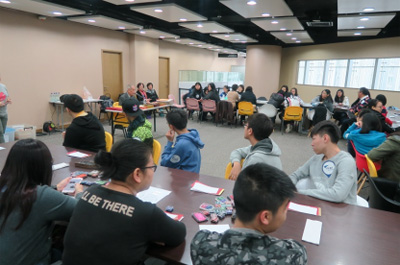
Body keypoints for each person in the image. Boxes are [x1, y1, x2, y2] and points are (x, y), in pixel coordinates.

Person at [62, 139, 186, 265]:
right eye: (152, 167)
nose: (153, 172)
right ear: (137, 173)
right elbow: (179, 233)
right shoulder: (145, 213)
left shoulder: (90, 192)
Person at [191, 163, 307, 265]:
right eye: (285, 207)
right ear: (265, 217)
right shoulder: (293, 255)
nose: (286, 211)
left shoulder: (201, 243)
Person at [0, 139, 83, 265]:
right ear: (42, 167)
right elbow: (82, 210)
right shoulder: (42, 196)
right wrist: (79, 193)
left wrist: (55, 188)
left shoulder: (5, 186)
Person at [289, 121, 357, 204]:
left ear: (325, 138)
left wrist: (301, 193)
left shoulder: (346, 161)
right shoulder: (317, 158)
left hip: (341, 212)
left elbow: (338, 195)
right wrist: (289, 188)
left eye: (314, 139)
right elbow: (296, 175)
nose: (312, 144)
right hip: (319, 206)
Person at [229, 113, 282, 180]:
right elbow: (237, 152)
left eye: (245, 125)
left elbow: (243, 186)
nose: (244, 127)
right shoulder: (265, 147)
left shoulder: (256, 159)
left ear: (250, 131)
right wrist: (236, 164)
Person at [161, 109, 204, 173]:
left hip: (184, 180)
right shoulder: (193, 135)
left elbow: (165, 164)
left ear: (171, 126)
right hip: (192, 176)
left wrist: (169, 142)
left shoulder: (182, 144)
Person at [0, 75, 11, 143]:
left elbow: (7, 96)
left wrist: (8, 100)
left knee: (2, 132)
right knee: (0, 132)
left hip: (4, 113)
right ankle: (3, 148)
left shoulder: (3, 86)